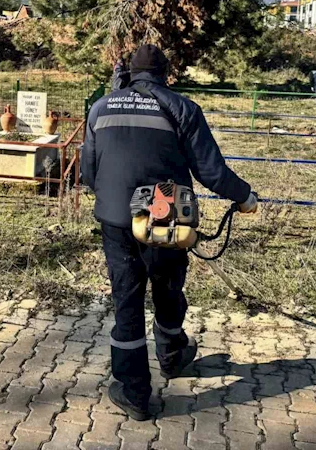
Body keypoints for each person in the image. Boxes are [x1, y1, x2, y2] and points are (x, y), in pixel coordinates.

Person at [81, 44, 257, 420]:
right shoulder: (182, 108)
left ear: (129, 70)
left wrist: (116, 200)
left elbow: (88, 173)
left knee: (126, 302)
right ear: (166, 73)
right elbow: (210, 171)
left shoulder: (101, 107)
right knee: (168, 286)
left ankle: (134, 395)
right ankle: (173, 356)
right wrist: (244, 197)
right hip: (167, 217)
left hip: (117, 221)